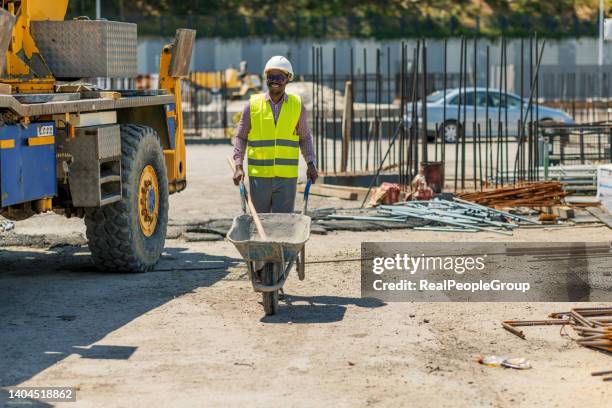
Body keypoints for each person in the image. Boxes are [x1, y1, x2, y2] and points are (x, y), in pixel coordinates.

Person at [232, 56, 318, 214]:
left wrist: (311, 164)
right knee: (260, 223)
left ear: (288, 79)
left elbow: (304, 138)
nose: (275, 81)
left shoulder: (297, 106)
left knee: (283, 225)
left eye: (279, 77)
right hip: (259, 178)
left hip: (287, 178)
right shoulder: (252, 105)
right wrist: (238, 166)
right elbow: (241, 137)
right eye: (271, 76)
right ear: (266, 78)